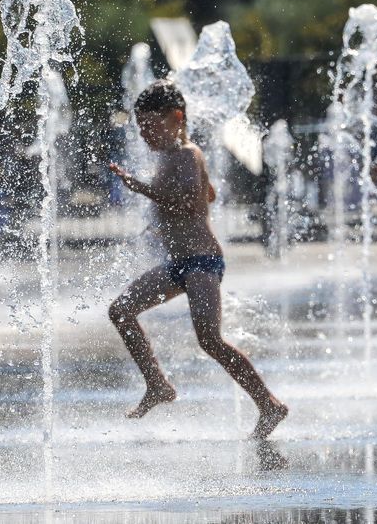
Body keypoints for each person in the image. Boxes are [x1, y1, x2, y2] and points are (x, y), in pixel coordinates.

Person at [108, 80, 288, 439]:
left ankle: (269, 405)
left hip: (202, 262)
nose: (144, 135)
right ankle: (157, 384)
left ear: (176, 118)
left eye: (150, 126)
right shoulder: (179, 158)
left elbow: (191, 203)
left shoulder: (188, 154)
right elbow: (207, 194)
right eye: (140, 128)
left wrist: (140, 187)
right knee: (121, 311)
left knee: (209, 339)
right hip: (181, 263)